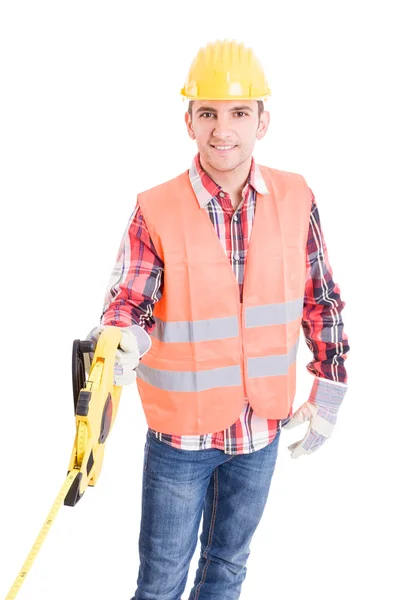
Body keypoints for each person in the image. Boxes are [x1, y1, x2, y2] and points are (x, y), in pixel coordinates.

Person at [87, 39, 350, 600]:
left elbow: (319, 296)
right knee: (159, 585)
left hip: (261, 429)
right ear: (188, 121)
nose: (222, 129)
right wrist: (123, 339)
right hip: (182, 436)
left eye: (238, 113)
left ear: (263, 120)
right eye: (208, 113)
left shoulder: (296, 196)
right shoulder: (155, 208)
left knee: (228, 568)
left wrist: (329, 386)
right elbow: (128, 305)